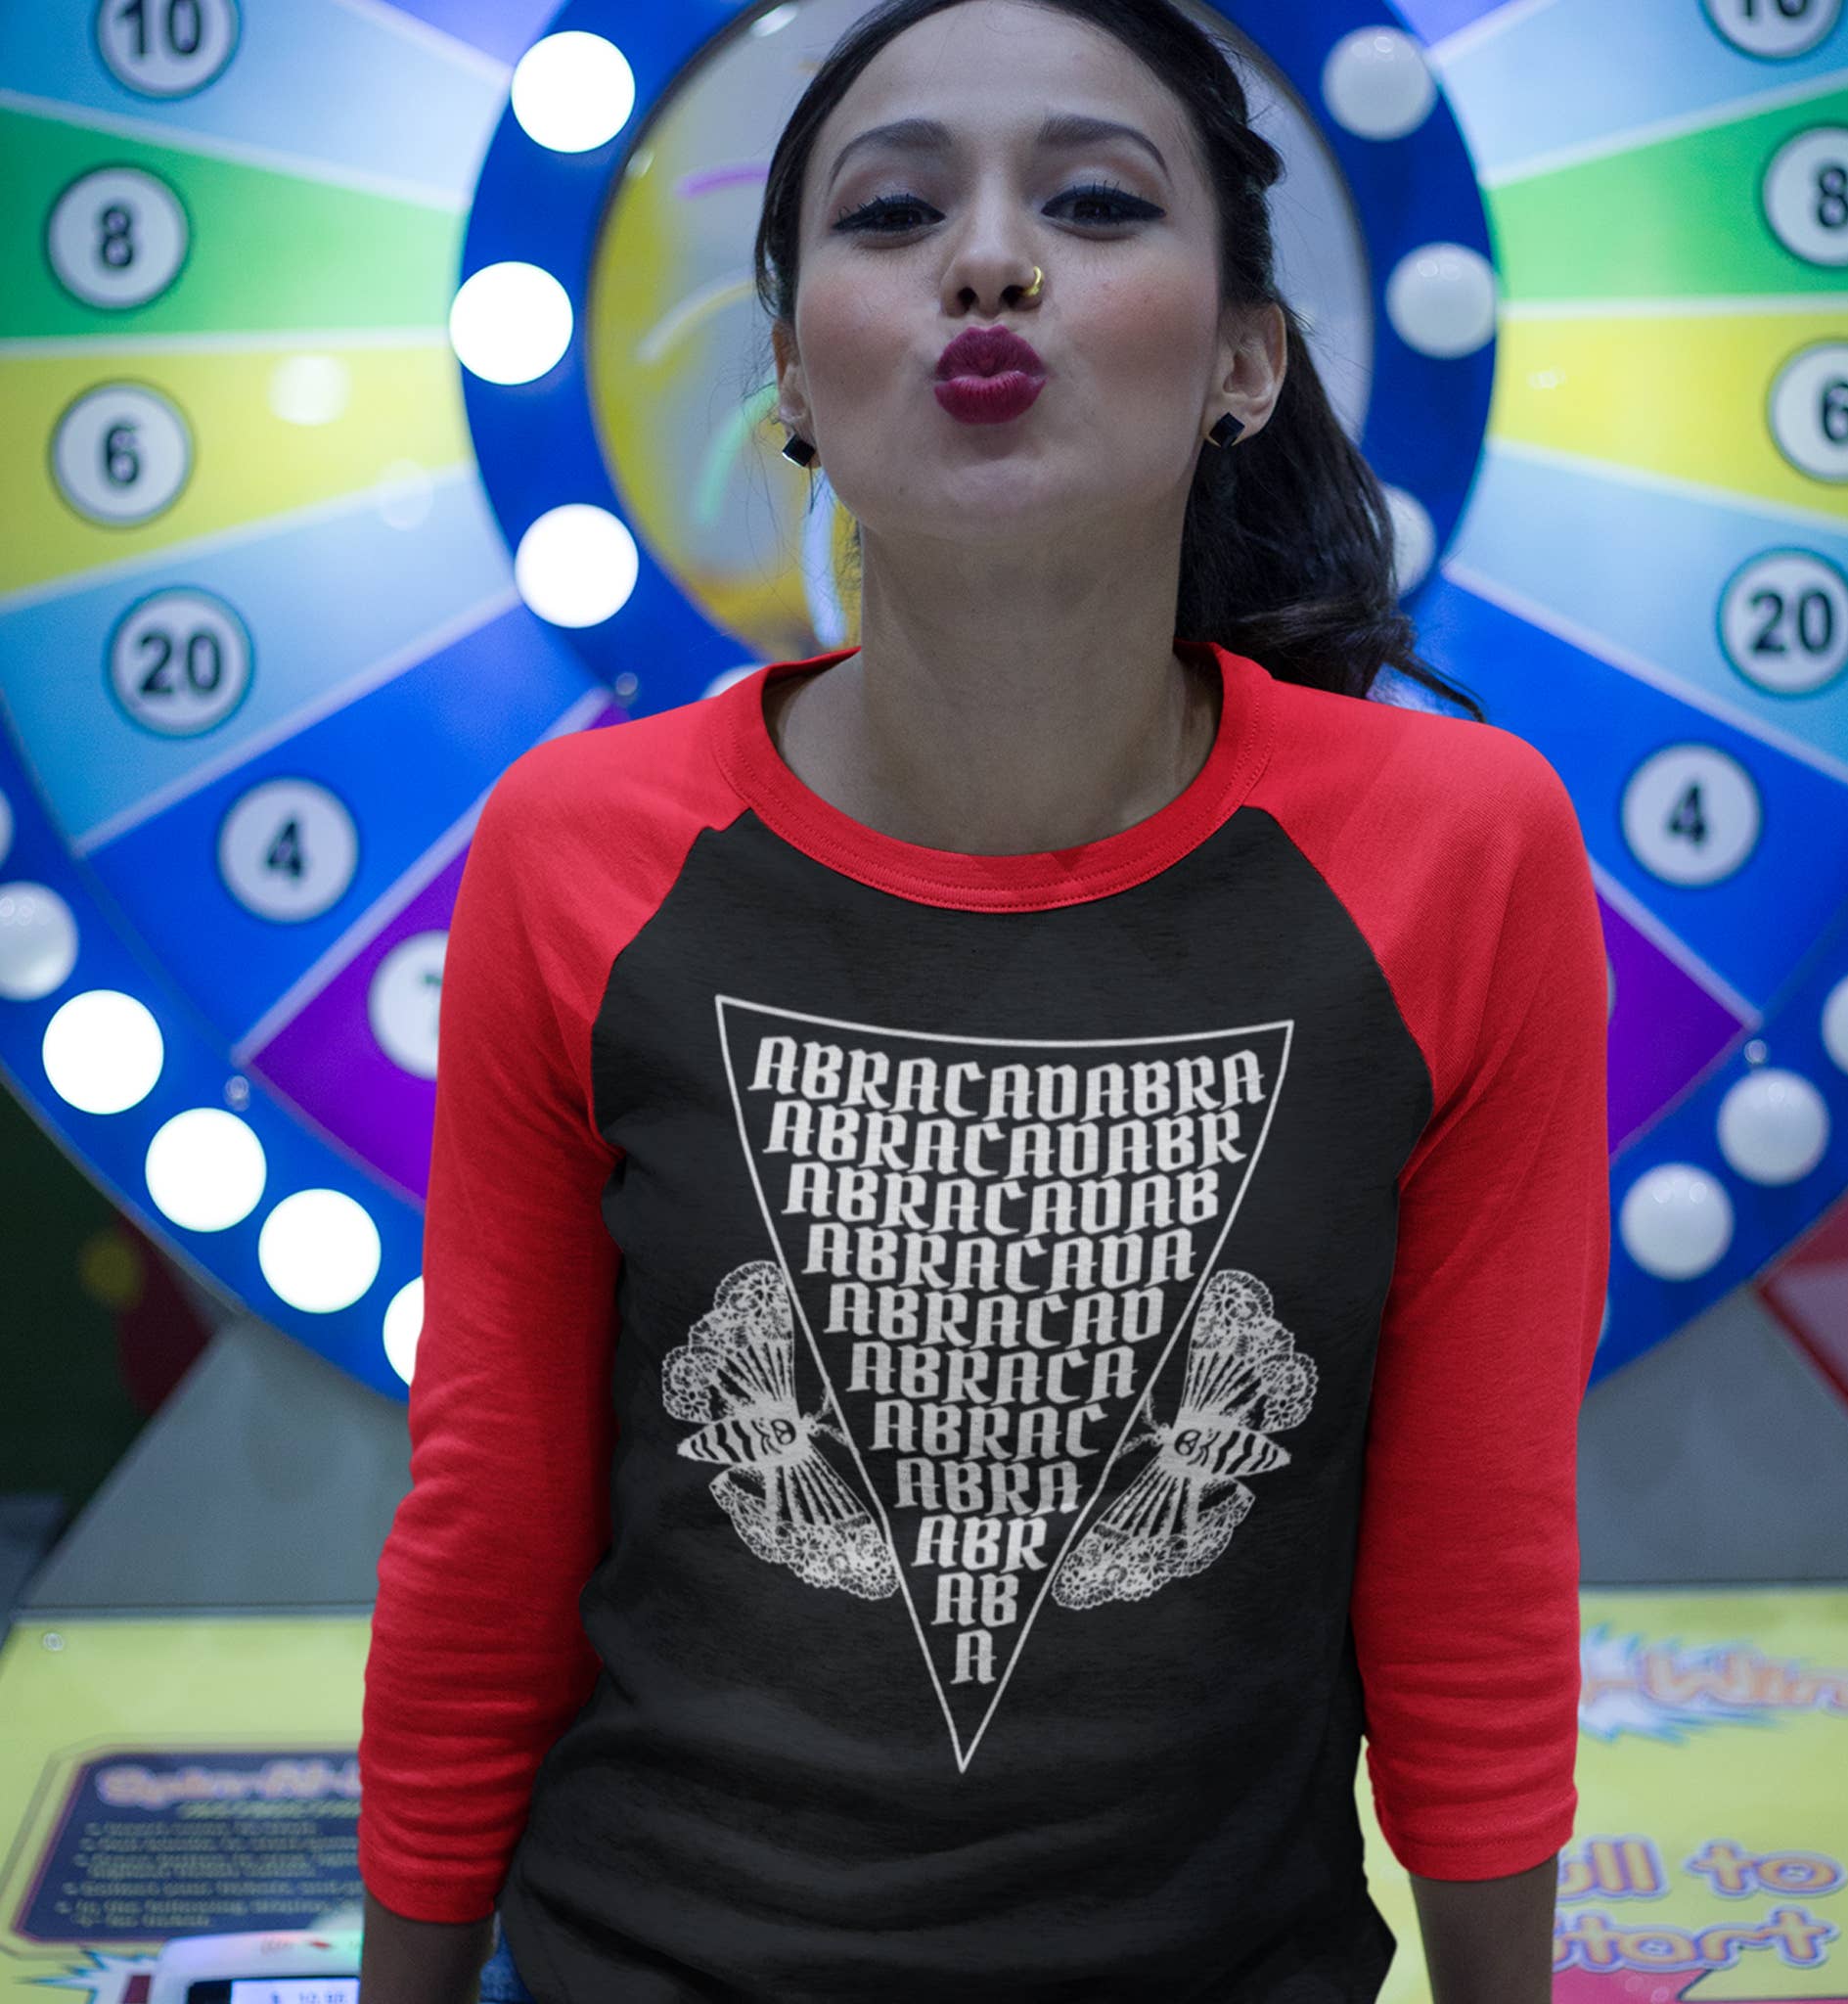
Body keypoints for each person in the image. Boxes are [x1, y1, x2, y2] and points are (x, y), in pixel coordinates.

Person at [355, 1, 1610, 1998]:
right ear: (791, 368)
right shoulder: (576, 845)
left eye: (1095, 202)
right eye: (893, 212)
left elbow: (1472, 1564)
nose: (991, 259)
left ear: (1245, 359)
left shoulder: (1463, 849)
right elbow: (487, 1542)